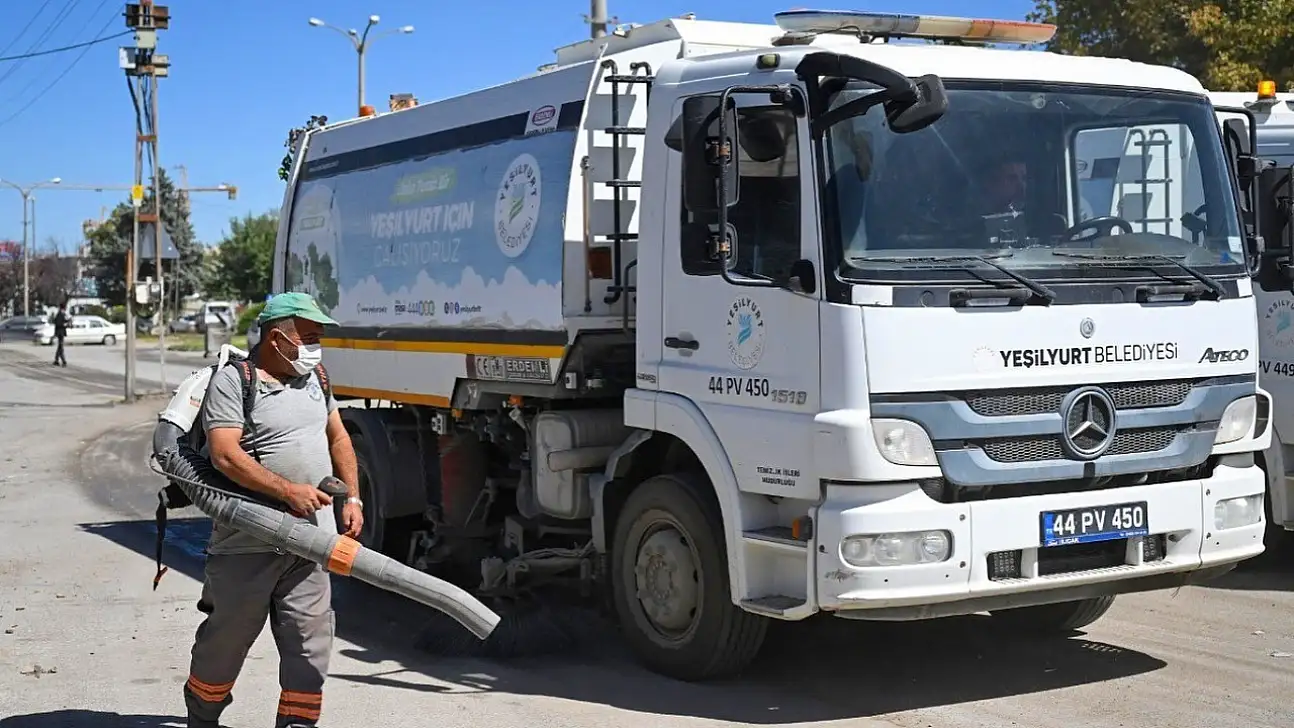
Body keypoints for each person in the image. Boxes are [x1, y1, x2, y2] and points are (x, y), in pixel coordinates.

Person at [182, 292, 364, 728]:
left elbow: (338, 438)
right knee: (224, 644)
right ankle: (203, 717)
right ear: (278, 336)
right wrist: (287, 491)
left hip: (310, 544)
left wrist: (353, 497)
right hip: (247, 543)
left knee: (310, 644)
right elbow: (225, 454)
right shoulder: (234, 380)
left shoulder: (316, 377)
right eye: (310, 335)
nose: (316, 345)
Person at [52, 303, 69, 367]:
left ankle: (56, 360)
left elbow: (63, 321)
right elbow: (58, 323)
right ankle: (63, 361)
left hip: (61, 333)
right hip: (60, 333)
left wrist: (67, 321)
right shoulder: (60, 314)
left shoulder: (62, 314)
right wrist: (64, 324)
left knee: (60, 347)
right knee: (61, 348)